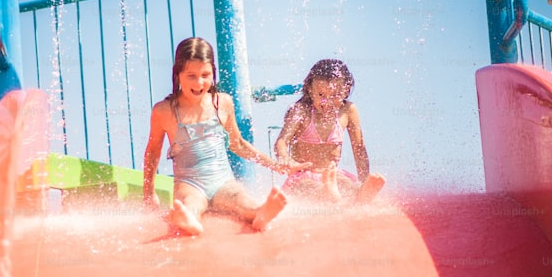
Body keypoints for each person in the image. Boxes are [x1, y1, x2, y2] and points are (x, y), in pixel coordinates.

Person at [143, 37, 309, 235]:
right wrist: (149, 192)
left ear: (213, 72)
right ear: (177, 74)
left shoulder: (223, 103)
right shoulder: (164, 111)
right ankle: (188, 219)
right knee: (191, 202)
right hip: (189, 183)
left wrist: (276, 166)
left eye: (205, 75)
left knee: (240, 199)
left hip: (223, 181)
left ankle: (259, 213)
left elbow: (238, 144)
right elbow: (153, 152)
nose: (199, 82)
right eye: (191, 76)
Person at [274, 58, 385, 203]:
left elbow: (359, 149)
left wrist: (364, 180)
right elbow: (282, 141)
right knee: (307, 187)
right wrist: (285, 158)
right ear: (310, 89)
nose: (327, 102)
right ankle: (327, 192)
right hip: (302, 176)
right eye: (321, 95)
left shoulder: (348, 111)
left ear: (346, 90)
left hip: (332, 175)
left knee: (348, 185)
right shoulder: (301, 111)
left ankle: (361, 193)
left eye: (335, 95)